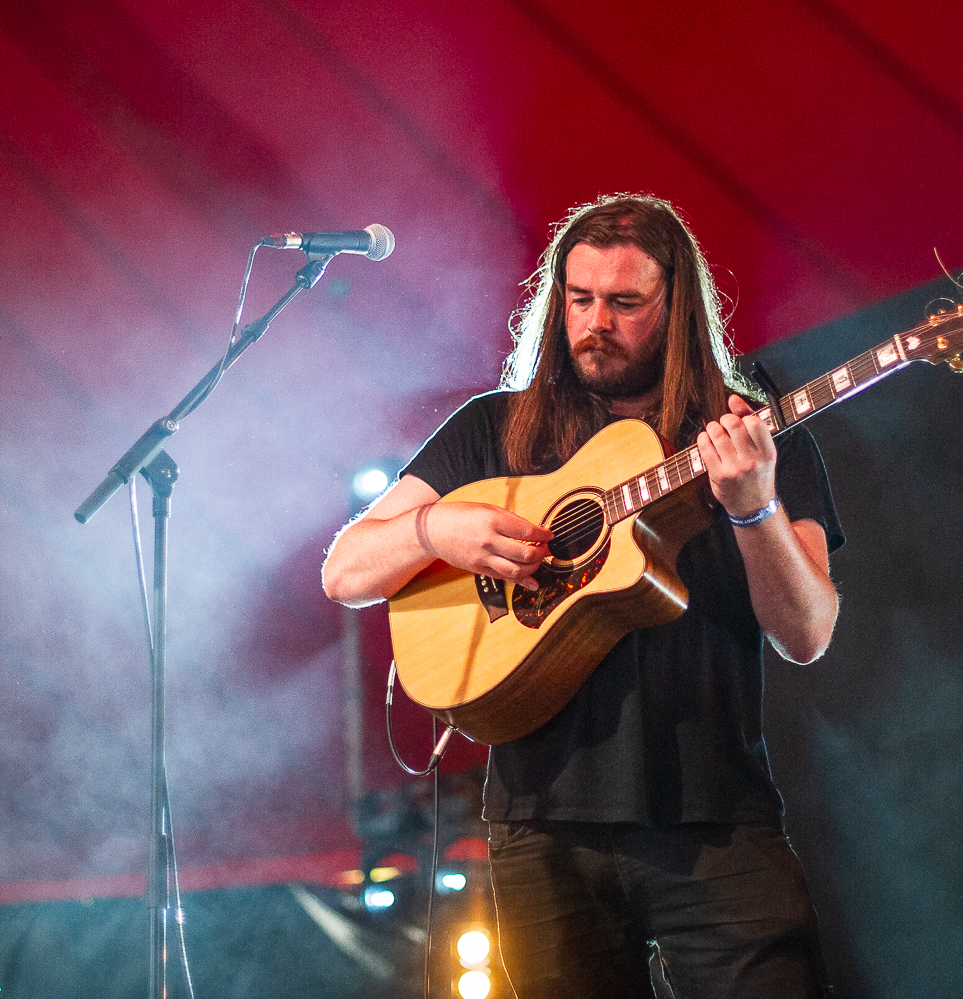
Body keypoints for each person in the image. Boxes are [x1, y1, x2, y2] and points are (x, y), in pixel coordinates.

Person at [322, 193, 843, 998]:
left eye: (625, 303)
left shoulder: (751, 431)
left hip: (716, 817)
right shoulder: (492, 429)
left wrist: (755, 504)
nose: (596, 321)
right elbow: (346, 570)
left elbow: (806, 631)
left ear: (675, 310)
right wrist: (432, 529)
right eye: (579, 299)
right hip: (540, 830)